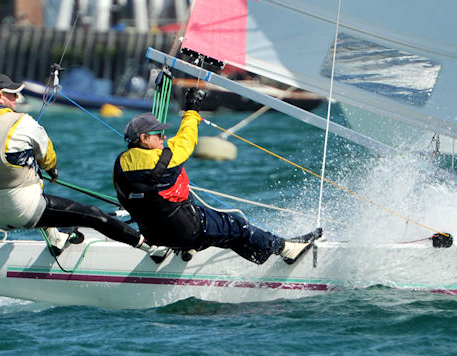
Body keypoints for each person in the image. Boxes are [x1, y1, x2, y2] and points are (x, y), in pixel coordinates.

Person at [112, 88, 321, 265]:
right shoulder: (167, 157)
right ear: (144, 138)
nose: (164, 137)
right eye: (159, 135)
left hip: (153, 234)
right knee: (237, 225)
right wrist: (192, 109)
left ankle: (187, 249)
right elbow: (187, 137)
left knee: (176, 195)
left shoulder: (120, 163)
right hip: (186, 231)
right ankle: (286, 249)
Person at [0, 73, 153, 257]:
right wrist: (51, 170)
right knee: (93, 214)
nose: (16, 99)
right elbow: (48, 157)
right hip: (30, 211)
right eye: (12, 94)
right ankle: (149, 247)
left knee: (30, 182)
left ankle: (57, 240)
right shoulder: (21, 121)